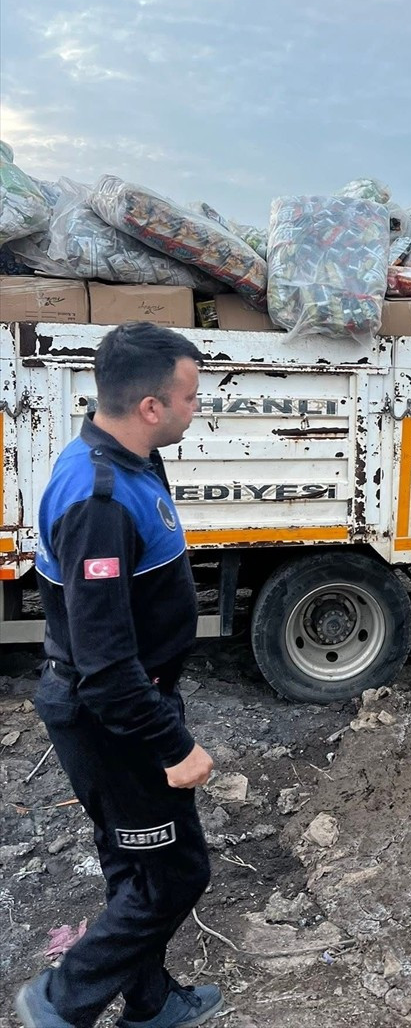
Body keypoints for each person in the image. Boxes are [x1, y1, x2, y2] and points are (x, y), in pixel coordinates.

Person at [16, 322, 222, 1028]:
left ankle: (150, 1000)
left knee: (135, 864)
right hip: (113, 719)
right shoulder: (99, 500)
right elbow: (103, 668)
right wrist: (174, 745)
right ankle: (61, 1002)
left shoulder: (127, 459)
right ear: (150, 408)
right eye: (190, 398)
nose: (199, 408)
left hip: (123, 706)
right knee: (175, 872)